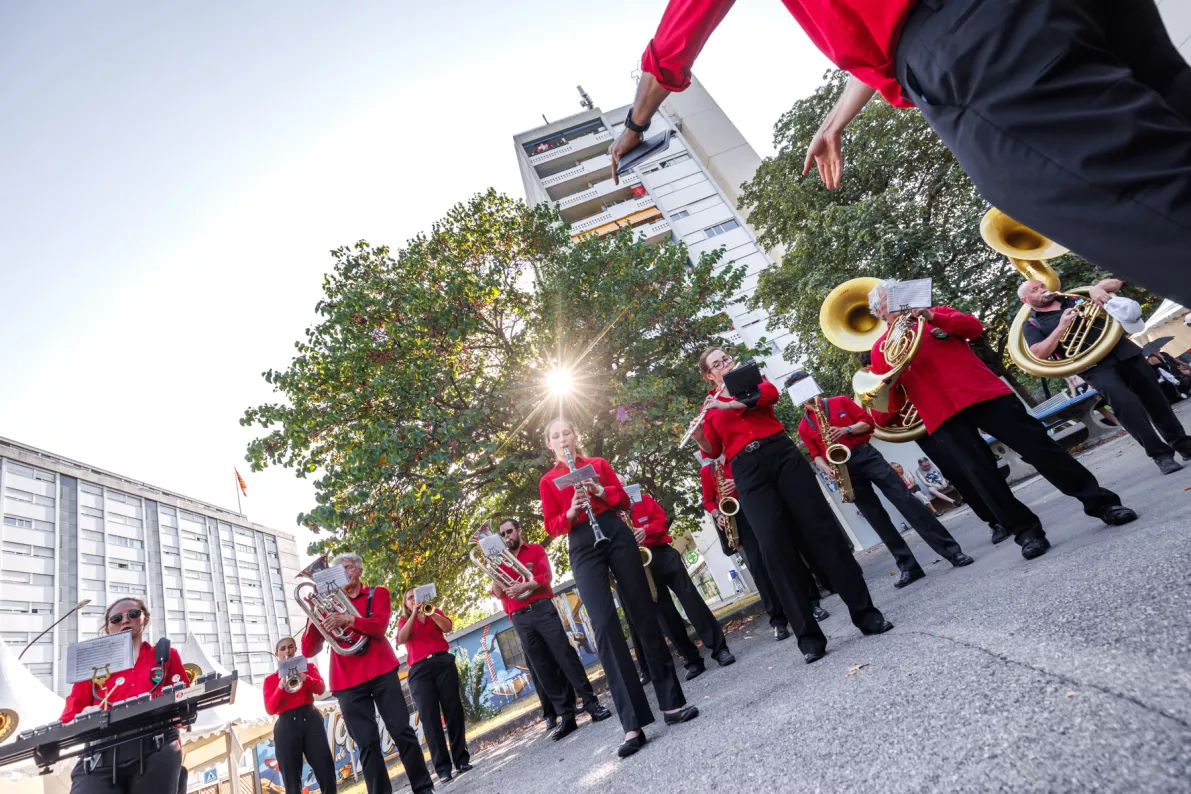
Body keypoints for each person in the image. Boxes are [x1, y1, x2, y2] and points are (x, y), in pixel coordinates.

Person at [611, 0, 1191, 309]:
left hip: (970, 39)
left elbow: (680, 32)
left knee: (1136, 198)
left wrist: (637, 120)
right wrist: (838, 116)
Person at [868, 279, 1137, 561]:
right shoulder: (881, 349)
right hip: (941, 415)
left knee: (1042, 450)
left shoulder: (938, 314)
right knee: (983, 478)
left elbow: (973, 327)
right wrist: (886, 384)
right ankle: (1026, 533)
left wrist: (931, 315)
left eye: (903, 296)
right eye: (892, 300)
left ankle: (1101, 503)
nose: (901, 303)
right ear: (879, 312)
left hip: (985, 395)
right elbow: (891, 403)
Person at [691, 347, 893, 663]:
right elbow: (714, 447)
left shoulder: (751, 381)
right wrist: (700, 436)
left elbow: (769, 396)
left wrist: (729, 402)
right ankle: (809, 638)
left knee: (821, 531)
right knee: (773, 547)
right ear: (708, 375)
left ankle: (866, 615)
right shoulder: (710, 408)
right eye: (717, 364)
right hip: (746, 470)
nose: (726, 365)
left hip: (781, 453)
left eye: (726, 359)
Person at [539, 417, 698, 758]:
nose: (562, 437)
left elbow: (625, 502)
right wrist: (569, 512)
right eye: (555, 435)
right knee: (605, 624)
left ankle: (672, 704)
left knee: (643, 613)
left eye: (567, 431)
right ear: (549, 444)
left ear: (574, 435)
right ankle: (632, 724)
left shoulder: (598, 464)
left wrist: (598, 491)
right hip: (581, 543)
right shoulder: (549, 480)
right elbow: (552, 527)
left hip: (614, 531)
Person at [791, 375, 974, 589]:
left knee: (907, 501)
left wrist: (846, 429)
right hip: (844, 468)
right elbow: (815, 454)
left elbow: (868, 423)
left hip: (866, 455)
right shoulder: (804, 426)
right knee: (876, 518)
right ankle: (909, 567)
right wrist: (827, 469)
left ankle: (952, 552)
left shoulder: (840, 401)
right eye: (798, 390)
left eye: (806, 386)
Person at [1019, 278, 1191, 474]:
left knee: (1156, 400)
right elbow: (1039, 353)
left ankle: (1184, 444)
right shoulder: (1031, 325)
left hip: (1125, 352)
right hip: (1094, 367)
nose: (1043, 290)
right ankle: (1161, 455)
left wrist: (1096, 288)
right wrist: (1061, 327)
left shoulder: (1074, 296)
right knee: (1128, 409)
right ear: (1026, 300)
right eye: (1035, 290)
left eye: (1042, 286)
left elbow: (1116, 283)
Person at [301, 553, 433, 794]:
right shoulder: (327, 605)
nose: (343, 574)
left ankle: (423, 787)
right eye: (337, 570)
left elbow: (380, 628)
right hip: (347, 681)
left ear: (359, 571)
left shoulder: (377, 593)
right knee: (367, 744)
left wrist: (349, 619)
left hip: (381, 670)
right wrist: (313, 615)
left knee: (401, 731)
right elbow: (309, 649)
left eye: (348, 568)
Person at [490, 518, 612, 740]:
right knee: (542, 668)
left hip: (542, 609)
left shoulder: (535, 550)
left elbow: (545, 578)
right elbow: (498, 592)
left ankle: (591, 704)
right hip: (519, 618)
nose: (507, 537)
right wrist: (494, 568)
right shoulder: (500, 560)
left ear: (518, 530)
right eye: (503, 535)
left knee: (566, 657)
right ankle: (566, 715)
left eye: (509, 532)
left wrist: (525, 586)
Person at [61, 598, 187, 794]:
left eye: (133, 614)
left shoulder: (165, 656)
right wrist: (84, 715)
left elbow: (184, 704)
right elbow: (70, 715)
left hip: (156, 744)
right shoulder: (93, 666)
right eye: (117, 618)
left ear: (145, 619)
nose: (125, 620)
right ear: (107, 629)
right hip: (101, 753)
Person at [629, 488, 736, 677]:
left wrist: (645, 530)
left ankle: (719, 649)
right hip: (642, 565)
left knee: (692, 601)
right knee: (665, 615)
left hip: (663, 552)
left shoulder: (644, 500)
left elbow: (661, 522)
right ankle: (691, 660)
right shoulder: (612, 515)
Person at [395, 592, 472, 784]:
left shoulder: (433, 612)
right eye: (409, 597)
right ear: (405, 603)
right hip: (419, 671)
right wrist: (414, 614)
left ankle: (461, 760)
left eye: (416, 596)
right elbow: (401, 639)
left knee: (453, 711)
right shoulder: (404, 620)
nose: (414, 599)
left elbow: (448, 626)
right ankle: (443, 769)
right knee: (430, 720)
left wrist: (431, 614)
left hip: (443, 663)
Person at [263, 638, 337, 794]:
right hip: (286, 725)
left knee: (324, 767)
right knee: (290, 776)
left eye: (290, 647)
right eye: (282, 649)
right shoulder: (270, 680)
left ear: (295, 649)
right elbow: (270, 708)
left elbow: (321, 689)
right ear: (277, 654)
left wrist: (304, 677)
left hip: (310, 717)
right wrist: (280, 686)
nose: (287, 651)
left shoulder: (308, 667)